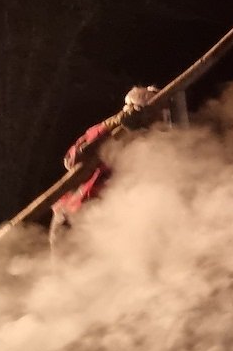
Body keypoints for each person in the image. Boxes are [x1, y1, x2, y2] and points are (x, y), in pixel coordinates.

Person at [49, 85, 169, 244]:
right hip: (73, 218)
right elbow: (72, 159)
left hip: (108, 230)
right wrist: (114, 123)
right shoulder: (108, 133)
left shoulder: (155, 152)